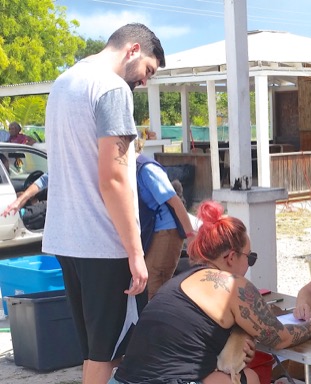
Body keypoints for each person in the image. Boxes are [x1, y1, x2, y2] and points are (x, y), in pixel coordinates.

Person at [42, 23, 165, 384]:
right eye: (148, 71)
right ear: (133, 50)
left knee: (96, 352)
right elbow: (113, 178)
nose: (143, 83)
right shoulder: (112, 88)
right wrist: (136, 252)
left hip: (66, 239)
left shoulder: (64, 82)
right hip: (103, 244)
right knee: (110, 355)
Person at [111, 200, 311, 384]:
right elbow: (281, 339)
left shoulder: (179, 282)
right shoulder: (233, 285)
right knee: (250, 378)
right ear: (231, 257)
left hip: (123, 379)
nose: (249, 265)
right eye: (250, 258)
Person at [135, 139, 195, 300]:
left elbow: (175, 202)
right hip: (149, 233)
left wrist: (190, 236)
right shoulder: (128, 169)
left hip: (166, 232)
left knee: (155, 287)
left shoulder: (146, 169)